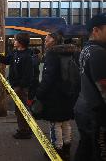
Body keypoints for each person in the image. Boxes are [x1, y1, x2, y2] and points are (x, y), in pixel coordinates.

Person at [35, 32, 80, 161]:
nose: (45, 42)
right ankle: (66, 148)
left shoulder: (52, 54)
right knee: (66, 123)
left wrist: (39, 92)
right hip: (68, 94)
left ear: (54, 41)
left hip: (54, 96)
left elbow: (48, 77)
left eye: (47, 40)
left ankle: (56, 150)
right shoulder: (71, 52)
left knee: (55, 124)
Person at [74, 13, 106, 161]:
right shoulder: (98, 52)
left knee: (86, 146)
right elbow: (104, 88)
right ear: (96, 30)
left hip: (84, 108)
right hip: (96, 113)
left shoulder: (86, 50)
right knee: (98, 151)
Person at [0, 33, 33, 139]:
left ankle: (25, 131)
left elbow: (28, 75)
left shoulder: (27, 56)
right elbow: (5, 60)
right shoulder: (15, 53)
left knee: (22, 109)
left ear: (20, 42)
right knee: (18, 110)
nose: (14, 41)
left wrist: (19, 87)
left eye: (15, 40)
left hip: (21, 88)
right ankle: (23, 129)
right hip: (15, 86)